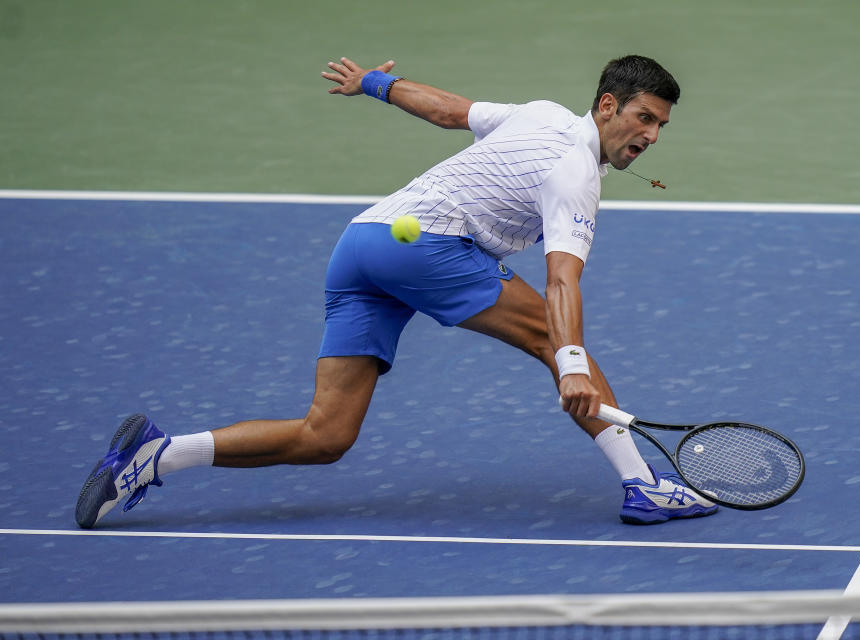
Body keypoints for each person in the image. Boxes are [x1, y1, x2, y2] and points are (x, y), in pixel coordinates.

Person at [75, 55, 718, 529]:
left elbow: (447, 111)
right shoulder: (576, 172)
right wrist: (569, 363)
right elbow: (561, 279)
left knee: (325, 436)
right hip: (427, 247)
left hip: (362, 245)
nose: (651, 135)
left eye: (660, 125)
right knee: (558, 339)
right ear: (608, 104)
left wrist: (374, 84)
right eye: (644, 117)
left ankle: (156, 456)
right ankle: (643, 485)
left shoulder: (542, 114)